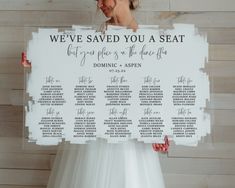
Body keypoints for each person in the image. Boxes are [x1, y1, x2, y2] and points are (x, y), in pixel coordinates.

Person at [20, 1, 166, 187]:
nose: (98, 4)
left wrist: (160, 129)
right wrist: (41, 62)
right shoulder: (99, 34)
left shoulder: (148, 39)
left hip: (129, 140)